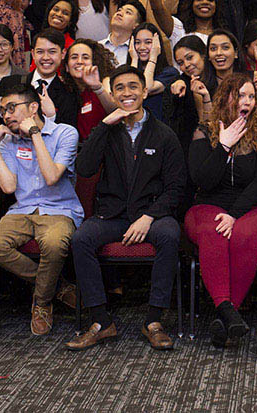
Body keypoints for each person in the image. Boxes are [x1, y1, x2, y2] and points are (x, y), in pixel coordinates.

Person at [64, 66, 185, 351]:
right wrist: (105, 126)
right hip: (113, 215)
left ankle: (154, 320)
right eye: (120, 88)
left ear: (144, 91)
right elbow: (85, 168)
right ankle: (100, 321)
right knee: (81, 239)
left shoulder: (164, 134)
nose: (127, 93)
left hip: (152, 215)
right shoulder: (107, 129)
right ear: (113, 94)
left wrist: (149, 216)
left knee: (170, 235)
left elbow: (176, 188)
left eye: (133, 87)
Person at [183, 72, 257, 347]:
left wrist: (235, 213)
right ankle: (228, 312)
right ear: (225, 97)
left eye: (251, 96)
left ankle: (225, 315)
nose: (246, 101)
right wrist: (223, 145)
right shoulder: (204, 130)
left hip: (256, 207)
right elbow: (203, 180)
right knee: (214, 233)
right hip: (208, 205)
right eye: (240, 95)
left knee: (242, 236)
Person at [0, 83, 83, 336]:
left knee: (53, 244)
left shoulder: (65, 133)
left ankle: (41, 303)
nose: (6, 116)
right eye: (3, 111)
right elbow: (8, 188)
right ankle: (57, 287)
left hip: (59, 209)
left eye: (11, 108)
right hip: (23, 209)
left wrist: (36, 134)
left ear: (32, 108)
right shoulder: (9, 142)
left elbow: (51, 177)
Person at [0, 29, 80, 132]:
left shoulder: (69, 93)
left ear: (63, 54)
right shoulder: (9, 83)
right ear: (33, 54)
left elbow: (68, 136)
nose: (46, 57)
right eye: (40, 52)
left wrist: (52, 117)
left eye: (52, 52)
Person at [63, 38, 119, 139]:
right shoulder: (67, 91)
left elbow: (116, 110)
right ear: (67, 67)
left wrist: (97, 87)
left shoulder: (105, 82)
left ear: (94, 63)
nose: (79, 62)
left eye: (85, 57)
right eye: (74, 57)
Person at [125, 22, 178, 122]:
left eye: (148, 42)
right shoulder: (125, 70)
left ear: (157, 45)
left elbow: (146, 88)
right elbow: (130, 89)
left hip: (157, 129)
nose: (142, 47)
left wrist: (153, 57)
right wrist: (134, 60)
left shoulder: (169, 72)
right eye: (137, 42)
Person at [99, 0, 146, 65]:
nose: (119, 13)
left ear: (136, 25)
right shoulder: (97, 47)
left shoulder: (138, 52)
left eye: (128, 12)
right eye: (119, 10)